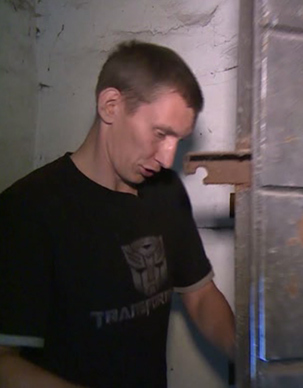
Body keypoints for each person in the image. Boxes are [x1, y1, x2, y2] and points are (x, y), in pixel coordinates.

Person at [0, 40, 235, 387]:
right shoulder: (27, 209)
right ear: (111, 105)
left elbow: (200, 297)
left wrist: (253, 361)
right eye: (160, 134)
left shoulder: (166, 192)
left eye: (178, 140)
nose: (168, 159)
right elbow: (5, 362)